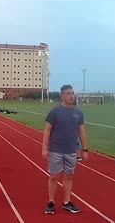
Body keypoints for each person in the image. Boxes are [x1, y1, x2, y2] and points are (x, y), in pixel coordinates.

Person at [42, 85, 88, 214]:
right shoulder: (55, 111)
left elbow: (82, 132)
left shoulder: (78, 112)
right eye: (68, 93)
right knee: (54, 176)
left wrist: (85, 150)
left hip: (71, 151)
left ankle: (66, 202)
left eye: (73, 93)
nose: (72, 96)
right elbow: (47, 130)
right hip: (56, 150)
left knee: (69, 176)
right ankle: (51, 202)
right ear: (62, 95)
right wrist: (44, 148)